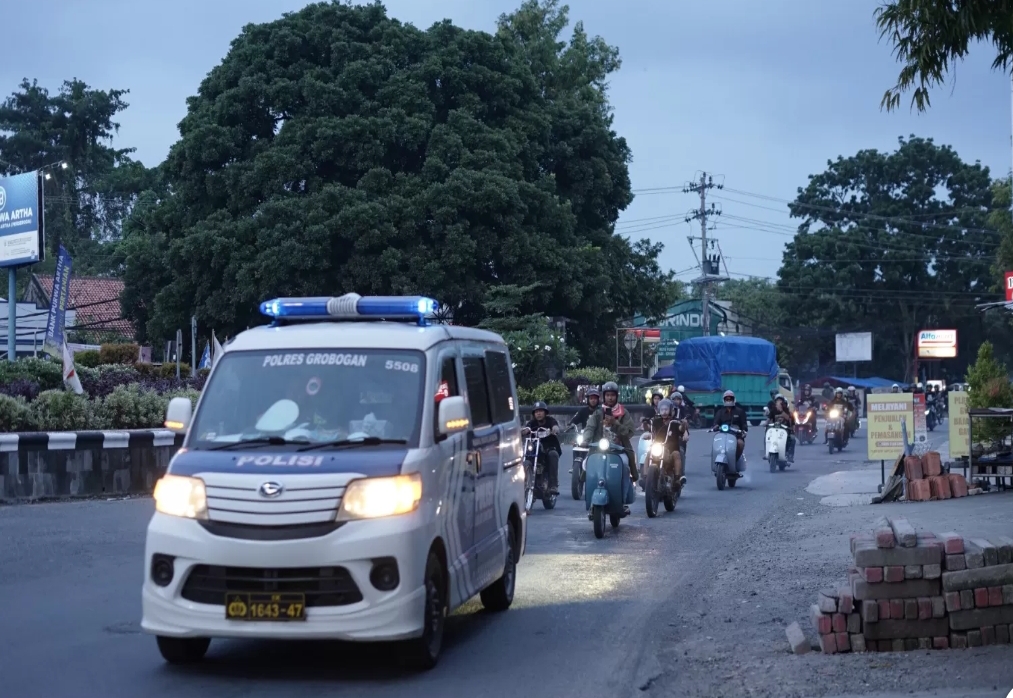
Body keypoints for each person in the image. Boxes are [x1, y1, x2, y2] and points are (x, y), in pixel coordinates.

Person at [582, 381, 638, 483]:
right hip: (598, 448)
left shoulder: (624, 413)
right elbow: (590, 427)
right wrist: (586, 440)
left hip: (619, 449)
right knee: (587, 464)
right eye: (607, 395)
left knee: (626, 465)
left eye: (612, 395)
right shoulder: (598, 412)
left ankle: (628, 485)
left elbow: (629, 432)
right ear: (604, 396)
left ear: (616, 396)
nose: (610, 398)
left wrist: (616, 423)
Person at [648, 398, 688, 487]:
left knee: (677, 454)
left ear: (671, 410)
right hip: (659, 448)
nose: (664, 412)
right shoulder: (656, 421)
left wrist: (684, 424)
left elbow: (681, 429)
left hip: (671, 450)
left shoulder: (675, 422)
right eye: (662, 409)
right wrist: (645, 424)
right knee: (648, 453)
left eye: (666, 409)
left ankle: (677, 478)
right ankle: (645, 477)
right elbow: (650, 429)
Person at [524, 401, 560, 495]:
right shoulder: (532, 423)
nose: (538, 413)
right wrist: (524, 431)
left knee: (553, 455)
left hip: (549, 447)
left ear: (545, 412)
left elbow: (555, 426)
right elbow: (527, 428)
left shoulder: (550, 420)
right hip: (535, 447)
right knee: (525, 455)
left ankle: (553, 485)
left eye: (540, 411)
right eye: (536, 412)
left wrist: (555, 429)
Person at [713, 389, 748, 463]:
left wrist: (744, 430)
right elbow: (716, 422)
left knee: (740, 444)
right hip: (723, 434)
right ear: (724, 400)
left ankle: (736, 460)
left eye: (730, 399)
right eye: (727, 399)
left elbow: (744, 424)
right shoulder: (720, 412)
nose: (728, 401)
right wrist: (716, 426)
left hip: (736, 435)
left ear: (734, 400)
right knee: (715, 443)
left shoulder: (740, 411)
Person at [769, 395, 796, 463]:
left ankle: (790, 455)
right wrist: (767, 424)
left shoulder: (787, 411)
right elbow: (769, 420)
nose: (779, 402)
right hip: (775, 431)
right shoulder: (773, 411)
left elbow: (788, 418)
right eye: (777, 401)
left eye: (780, 401)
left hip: (785, 431)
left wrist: (781, 411)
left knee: (792, 439)